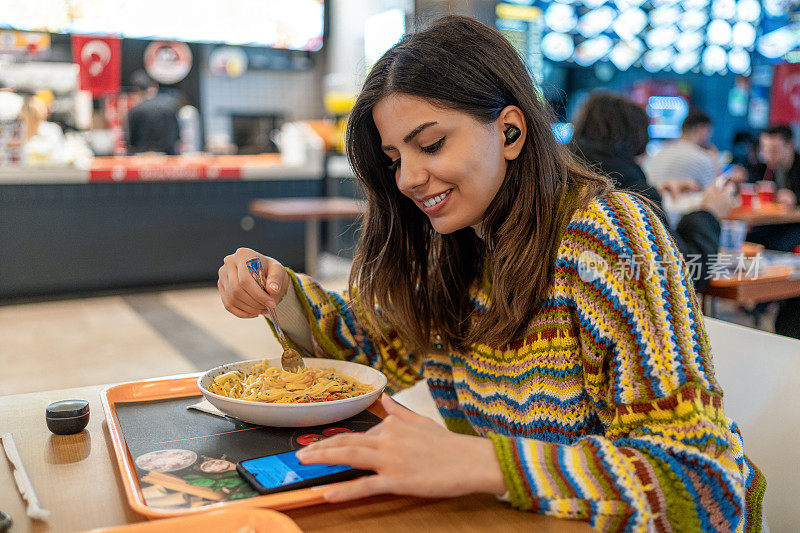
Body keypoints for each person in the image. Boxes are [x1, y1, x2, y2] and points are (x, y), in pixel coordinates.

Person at [217, 16, 764, 531]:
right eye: (393, 157)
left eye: (431, 145)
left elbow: (704, 483)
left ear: (509, 132)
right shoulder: (453, 243)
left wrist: (483, 463)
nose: (408, 178)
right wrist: (279, 289)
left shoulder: (610, 236)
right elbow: (367, 349)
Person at [570, 91, 736, 292]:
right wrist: (709, 213)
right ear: (634, 141)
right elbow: (683, 272)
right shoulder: (632, 197)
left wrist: (653, 191)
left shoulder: (562, 180)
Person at [745, 125, 800, 339]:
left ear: (789, 146)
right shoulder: (762, 168)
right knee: (749, 244)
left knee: (777, 246)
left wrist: (795, 198)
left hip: (795, 226)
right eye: (765, 150)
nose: (768, 156)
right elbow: (751, 184)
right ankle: (754, 297)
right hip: (770, 224)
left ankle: (763, 300)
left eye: (774, 150)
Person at [645, 109, 718, 189]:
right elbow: (713, 193)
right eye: (709, 132)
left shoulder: (658, 154)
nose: (709, 137)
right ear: (701, 129)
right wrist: (714, 162)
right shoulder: (702, 158)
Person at [125, 70, 180, 155]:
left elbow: (131, 141)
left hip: (142, 159)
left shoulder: (135, 111)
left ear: (137, 90)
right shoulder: (170, 107)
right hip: (167, 159)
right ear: (154, 87)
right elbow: (177, 136)